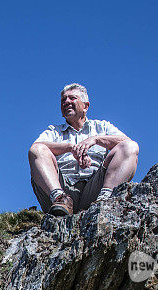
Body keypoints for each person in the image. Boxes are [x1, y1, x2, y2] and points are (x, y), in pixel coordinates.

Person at [28, 83, 140, 216]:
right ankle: (60, 199)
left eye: (72, 98)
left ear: (86, 106)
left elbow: (127, 142)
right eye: (63, 100)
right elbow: (36, 148)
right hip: (63, 187)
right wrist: (70, 148)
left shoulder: (102, 127)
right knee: (37, 150)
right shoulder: (54, 131)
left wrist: (96, 140)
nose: (66, 102)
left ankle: (105, 200)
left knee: (130, 147)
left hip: (95, 188)